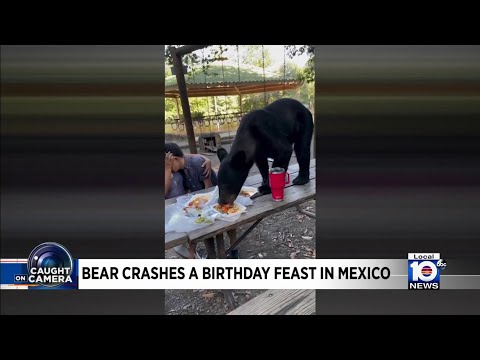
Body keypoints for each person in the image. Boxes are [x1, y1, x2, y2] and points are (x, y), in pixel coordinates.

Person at [165, 142, 218, 259]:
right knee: (188, 230)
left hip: (210, 200)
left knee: (200, 227)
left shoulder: (193, 164)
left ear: (172, 158)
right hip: (192, 206)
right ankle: (195, 255)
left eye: (168, 162)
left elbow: (208, 189)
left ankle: (208, 254)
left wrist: (204, 158)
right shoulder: (176, 168)